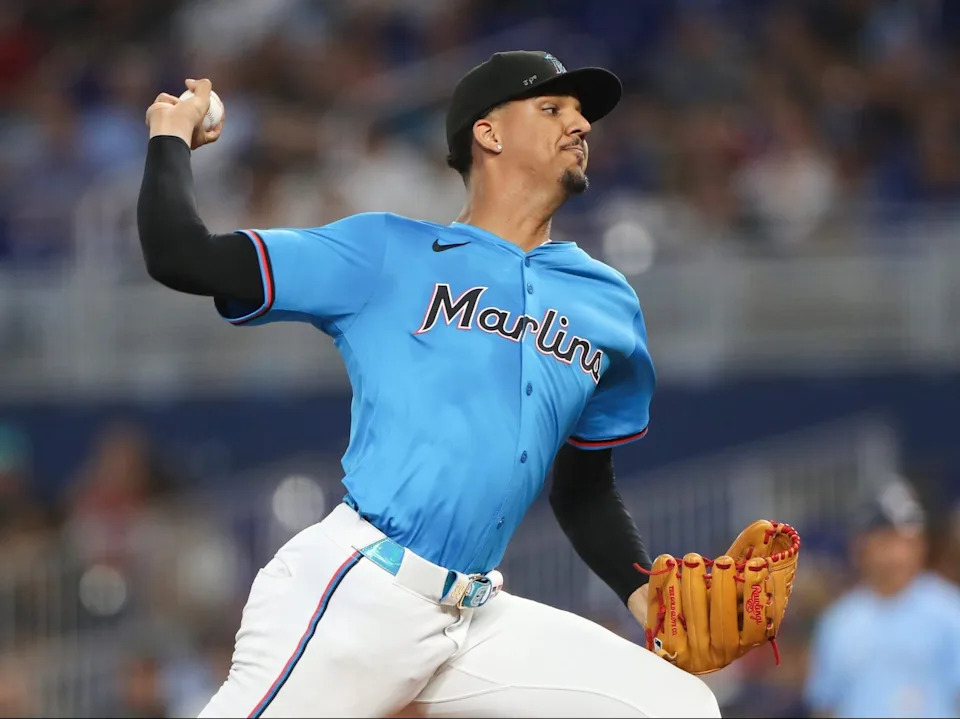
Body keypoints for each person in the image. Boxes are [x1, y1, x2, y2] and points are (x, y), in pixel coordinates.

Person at [137, 51, 721, 717]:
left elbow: (585, 489)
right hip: (358, 593)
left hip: (471, 619)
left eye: (584, 113)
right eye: (554, 108)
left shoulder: (607, 304)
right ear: (488, 133)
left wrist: (645, 591)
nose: (582, 124)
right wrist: (169, 135)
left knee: (678, 707)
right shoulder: (386, 253)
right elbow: (180, 255)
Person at [804, 479, 960, 718]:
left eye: (907, 541)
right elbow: (826, 705)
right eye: (886, 541)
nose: (898, 553)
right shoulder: (839, 621)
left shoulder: (950, 610)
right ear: (861, 547)